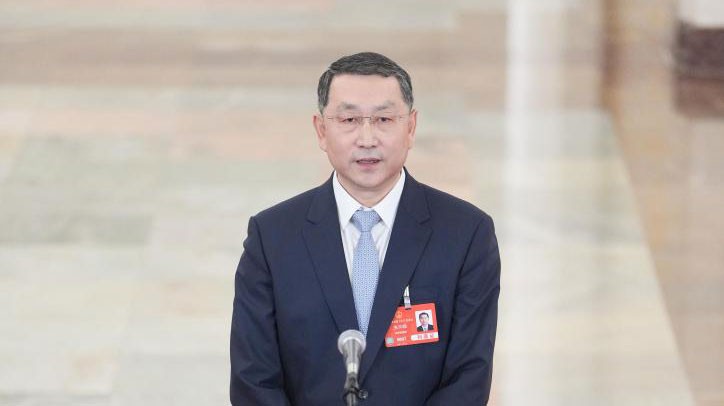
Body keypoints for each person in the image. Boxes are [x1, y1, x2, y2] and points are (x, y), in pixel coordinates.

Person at [230, 52, 501, 405]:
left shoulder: (466, 234)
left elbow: (469, 377)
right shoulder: (272, 238)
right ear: (321, 130)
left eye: (384, 119)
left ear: (411, 127)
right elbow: (253, 380)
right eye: (349, 119)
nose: (367, 138)